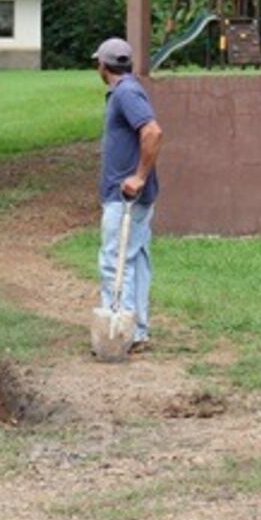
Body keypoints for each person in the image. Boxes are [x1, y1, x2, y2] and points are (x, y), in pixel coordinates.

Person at [94, 38, 165, 353]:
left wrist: (137, 177)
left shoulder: (125, 93)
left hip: (125, 198)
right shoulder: (128, 90)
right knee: (134, 258)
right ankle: (136, 331)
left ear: (103, 66)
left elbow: (152, 131)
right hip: (130, 197)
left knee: (115, 259)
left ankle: (116, 332)